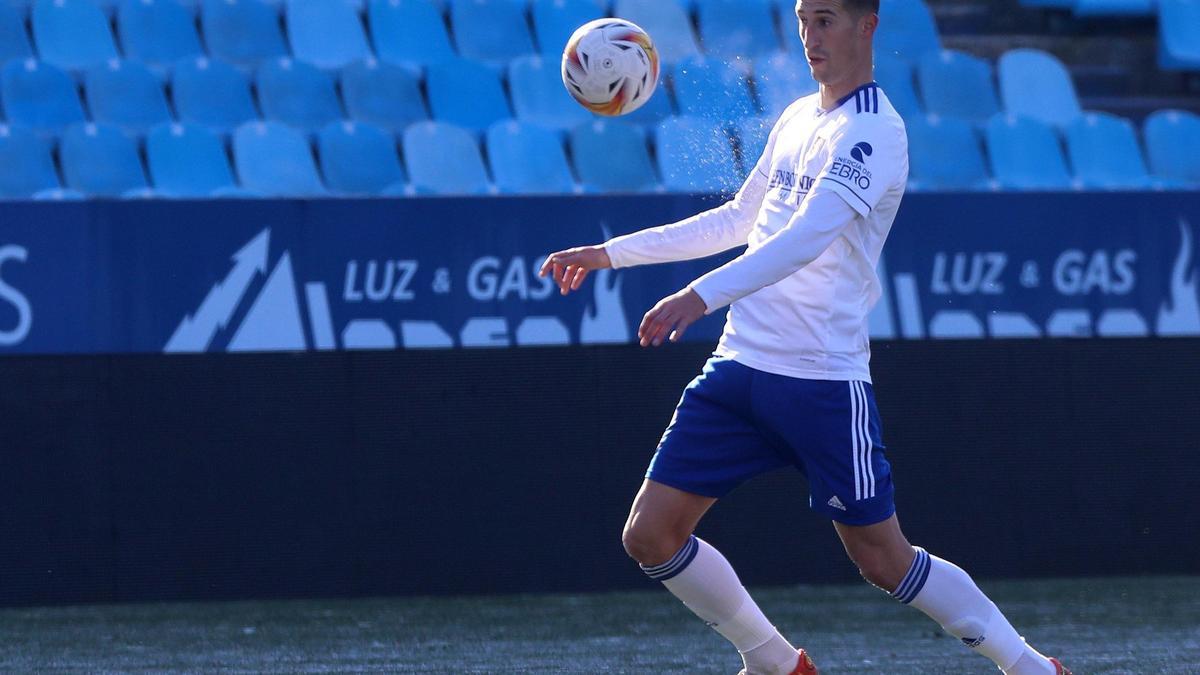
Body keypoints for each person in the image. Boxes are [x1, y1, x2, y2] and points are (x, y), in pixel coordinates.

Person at [540, 1, 1072, 674]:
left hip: (821, 378)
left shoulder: (875, 132)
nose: (808, 36)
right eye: (801, 19)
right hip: (739, 366)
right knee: (649, 534)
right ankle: (773, 660)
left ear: (866, 25)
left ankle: (1027, 665)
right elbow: (741, 217)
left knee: (883, 559)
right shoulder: (798, 116)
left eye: (825, 20)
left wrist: (698, 295)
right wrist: (610, 253)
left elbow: (805, 238)